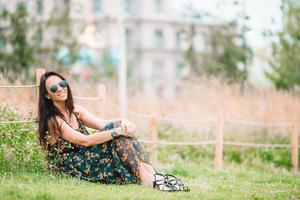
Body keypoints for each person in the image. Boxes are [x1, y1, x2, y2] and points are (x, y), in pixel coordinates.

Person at [37, 71, 189, 192]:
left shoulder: (75, 110)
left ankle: (153, 175)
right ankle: (150, 180)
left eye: (62, 83)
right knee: (116, 131)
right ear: (47, 95)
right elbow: (85, 140)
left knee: (118, 127)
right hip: (73, 164)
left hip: (87, 156)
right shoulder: (53, 120)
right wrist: (117, 130)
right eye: (53, 88)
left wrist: (124, 122)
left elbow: (104, 123)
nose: (60, 89)